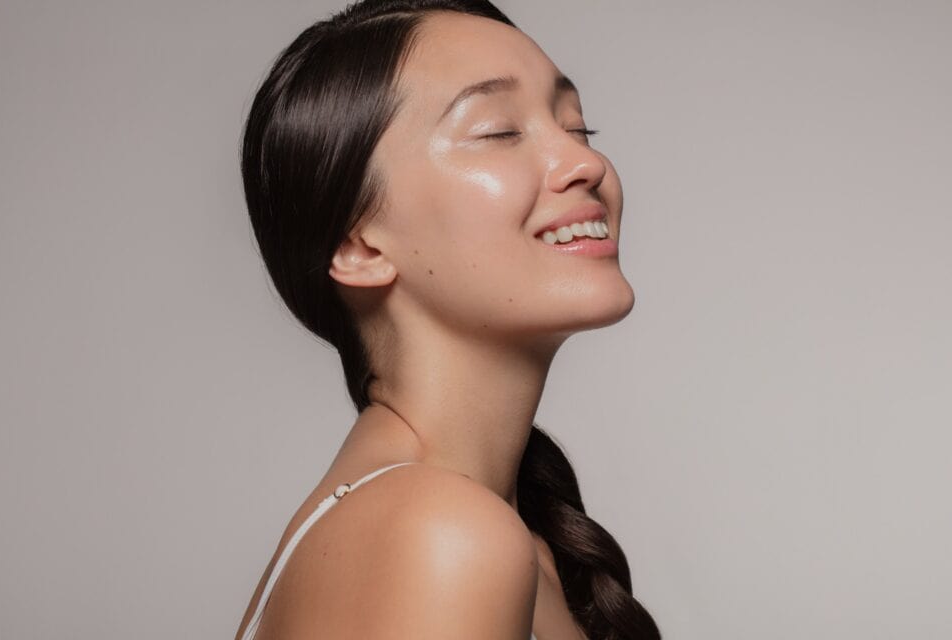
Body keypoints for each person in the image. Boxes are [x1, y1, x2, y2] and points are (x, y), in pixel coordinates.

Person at [235, 1, 661, 638]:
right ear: (359, 246)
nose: (588, 165)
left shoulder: (492, 536)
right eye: (498, 131)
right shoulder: (436, 535)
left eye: (577, 128)